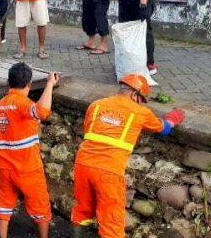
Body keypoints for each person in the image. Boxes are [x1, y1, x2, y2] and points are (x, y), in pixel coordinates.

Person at [71, 74, 185, 238]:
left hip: (82, 164)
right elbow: (163, 128)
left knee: (82, 209)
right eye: (141, 99)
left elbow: (90, 129)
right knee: (112, 220)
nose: (141, 103)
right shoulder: (140, 112)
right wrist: (173, 118)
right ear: (134, 94)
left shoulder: (96, 105)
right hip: (109, 170)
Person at [0, 62, 60, 238]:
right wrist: (50, 84)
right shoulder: (22, 103)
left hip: (4, 167)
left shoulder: (0, 105)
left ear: (8, 82)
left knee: (4, 204)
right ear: (29, 84)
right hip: (27, 167)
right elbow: (42, 111)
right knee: (40, 205)